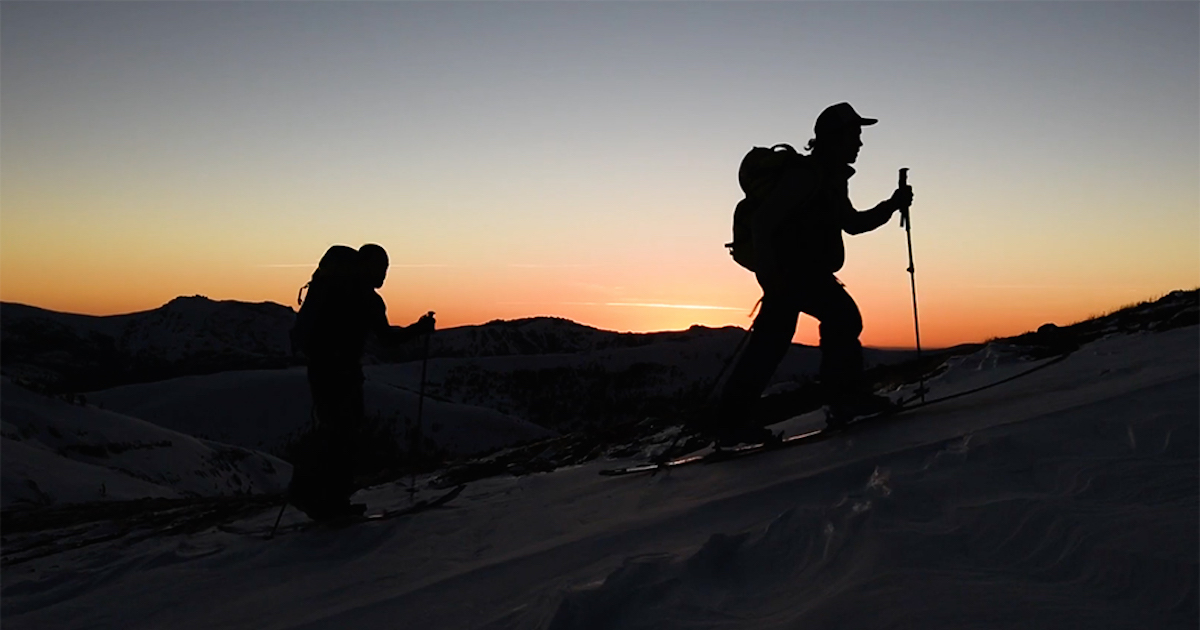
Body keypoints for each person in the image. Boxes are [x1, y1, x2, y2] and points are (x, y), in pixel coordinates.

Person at [714, 102, 913, 445]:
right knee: (839, 319)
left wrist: (892, 204)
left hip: (798, 273)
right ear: (835, 138)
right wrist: (771, 276)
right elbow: (763, 222)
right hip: (792, 273)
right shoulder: (807, 175)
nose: (860, 143)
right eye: (855, 135)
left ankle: (732, 422)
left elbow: (850, 224)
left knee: (775, 342)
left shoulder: (830, 177)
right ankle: (843, 400)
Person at [288, 243, 436, 521]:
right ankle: (333, 503)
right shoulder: (365, 297)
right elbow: (387, 339)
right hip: (342, 374)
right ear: (369, 267)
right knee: (344, 434)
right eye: (382, 269)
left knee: (332, 431)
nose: (384, 276)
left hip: (321, 370)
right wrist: (420, 329)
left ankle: (313, 494)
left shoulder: (335, 289)